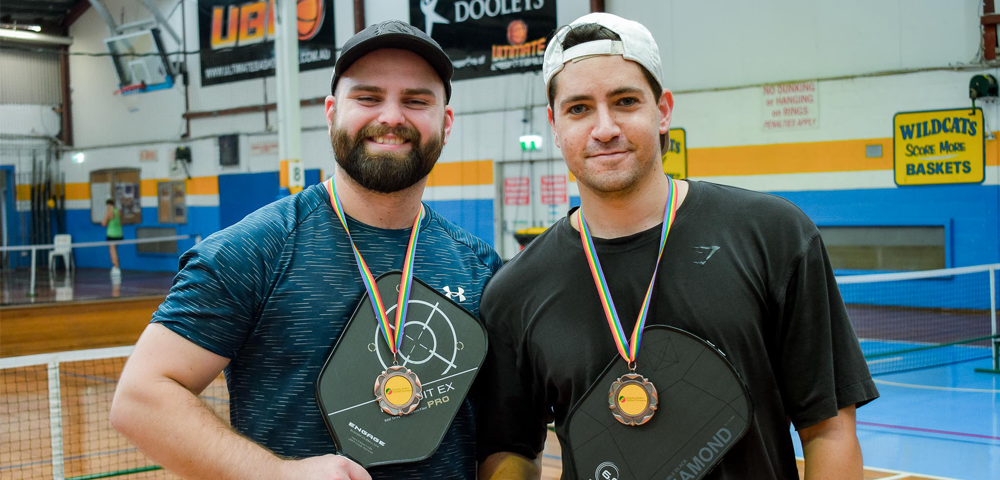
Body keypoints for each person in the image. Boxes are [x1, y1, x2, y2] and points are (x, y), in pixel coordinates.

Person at [475, 13, 879, 480]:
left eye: (625, 101)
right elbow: (508, 450)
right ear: (554, 123)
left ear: (663, 110)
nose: (604, 128)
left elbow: (828, 432)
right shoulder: (514, 290)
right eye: (579, 108)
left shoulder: (773, 235)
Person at [111, 20, 501, 480]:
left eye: (416, 101)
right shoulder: (253, 250)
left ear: (446, 123)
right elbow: (140, 399)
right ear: (332, 112)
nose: (392, 117)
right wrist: (276, 474)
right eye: (368, 98)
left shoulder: (481, 266)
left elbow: (503, 436)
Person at [101, 198, 122, 275]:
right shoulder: (118, 211)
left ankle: (116, 267)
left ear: (109, 205)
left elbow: (104, 223)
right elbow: (121, 221)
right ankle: (116, 266)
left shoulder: (109, 212)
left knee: (112, 251)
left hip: (112, 234)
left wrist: (102, 222)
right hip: (119, 233)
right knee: (115, 250)